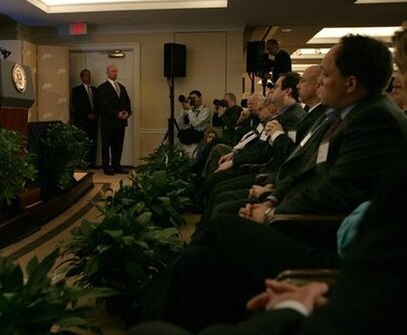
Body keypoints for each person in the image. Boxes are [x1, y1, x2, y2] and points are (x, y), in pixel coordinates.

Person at [140, 34, 407, 332]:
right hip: (302, 221)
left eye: (326, 75)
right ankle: (157, 311)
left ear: (351, 83)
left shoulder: (374, 120)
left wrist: (272, 212)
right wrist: (272, 200)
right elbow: (304, 169)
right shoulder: (348, 116)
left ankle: (148, 308)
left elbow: (337, 192)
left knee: (222, 223)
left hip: (318, 240)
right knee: (200, 257)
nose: (320, 83)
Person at [97, 64, 132, 175]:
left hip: (120, 123)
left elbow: (127, 102)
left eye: (116, 71)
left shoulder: (121, 87)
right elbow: (103, 106)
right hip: (108, 123)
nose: (115, 73)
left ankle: (117, 166)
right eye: (112, 71)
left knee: (118, 146)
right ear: (107, 73)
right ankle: (106, 167)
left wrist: (127, 112)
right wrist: (116, 114)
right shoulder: (102, 88)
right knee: (106, 146)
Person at [71, 69, 98, 168]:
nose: (88, 77)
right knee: (83, 142)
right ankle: (83, 163)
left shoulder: (95, 90)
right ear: (82, 77)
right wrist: (87, 115)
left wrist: (95, 114)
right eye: (86, 75)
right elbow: (76, 105)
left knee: (93, 143)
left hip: (94, 121)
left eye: (89, 75)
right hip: (82, 121)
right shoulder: (76, 90)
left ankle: (92, 163)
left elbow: (98, 104)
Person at [177, 90, 211, 156]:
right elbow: (180, 123)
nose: (193, 100)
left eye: (194, 98)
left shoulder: (206, 111)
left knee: (193, 158)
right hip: (186, 139)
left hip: (198, 140)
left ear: (200, 98)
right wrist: (183, 110)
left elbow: (196, 123)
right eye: (190, 98)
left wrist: (189, 110)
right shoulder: (191, 110)